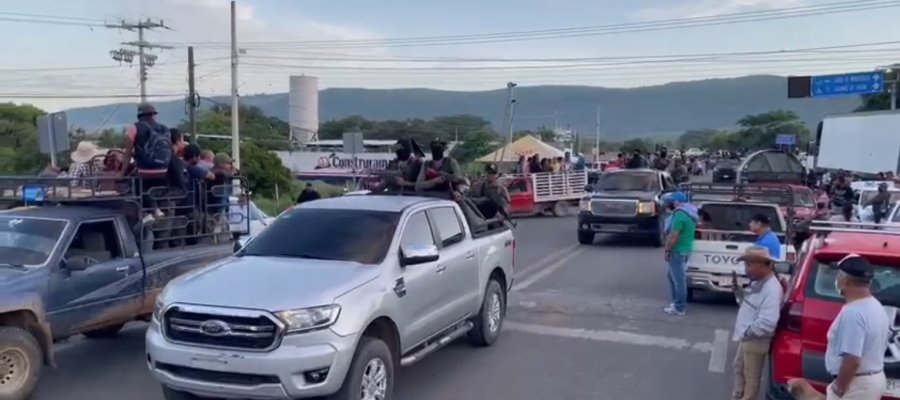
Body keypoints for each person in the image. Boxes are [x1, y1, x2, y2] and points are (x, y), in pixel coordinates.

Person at [825, 254, 888, 400]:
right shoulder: (875, 306)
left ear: (844, 280)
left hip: (856, 384)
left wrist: (839, 387)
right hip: (872, 379)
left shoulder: (853, 313)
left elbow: (852, 358)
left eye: (838, 276)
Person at [730, 246, 783, 400]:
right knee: (739, 368)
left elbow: (768, 321)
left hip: (755, 339)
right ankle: (738, 395)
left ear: (762, 265)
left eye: (749, 265)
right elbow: (749, 305)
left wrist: (748, 332)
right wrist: (738, 293)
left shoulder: (772, 288)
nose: (746, 269)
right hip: (748, 336)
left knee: (751, 377)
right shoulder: (758, 282)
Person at [121, 103, 173, 223]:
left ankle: (146, 214)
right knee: (150, 184)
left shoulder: (133, 128)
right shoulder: (165, 128)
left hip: (145, 171)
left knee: (132, 182)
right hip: (164, 170)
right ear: (153, 114)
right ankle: (156, 209)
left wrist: (122, 173)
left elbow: (127, 153)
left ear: (139, 115)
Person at [662, 191, 699, 316]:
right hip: (685, 249)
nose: (668, 204)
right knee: (671, 276)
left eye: (671, 202)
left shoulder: (679, 215)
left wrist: (667, 250)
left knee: (678, 279)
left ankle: (679, 307)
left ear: (677, 202)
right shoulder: (690, 213)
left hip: (677, 250)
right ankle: (677, 302)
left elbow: (673, 235)